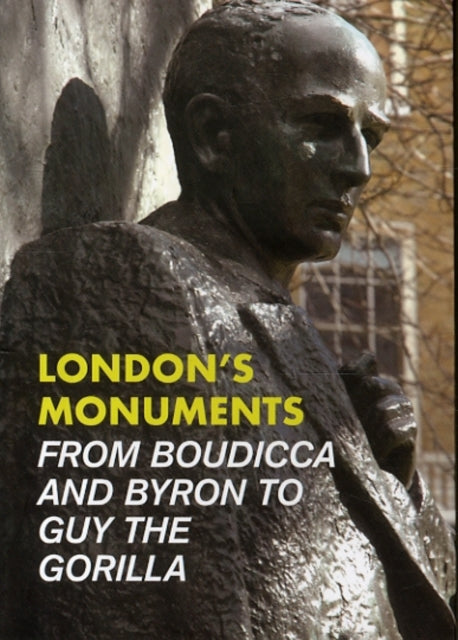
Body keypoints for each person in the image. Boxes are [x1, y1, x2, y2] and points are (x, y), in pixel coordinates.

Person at [0, 2, 454, 638]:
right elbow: (129, 592)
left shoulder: (288, 336)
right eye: (323, 125)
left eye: (369, 137)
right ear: (214, 134)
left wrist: (389, 479)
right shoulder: (127, 275)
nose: (359, 167)